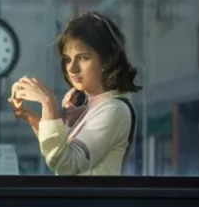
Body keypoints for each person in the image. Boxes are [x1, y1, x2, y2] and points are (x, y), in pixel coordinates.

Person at [9, 11, 139, 176]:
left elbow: (65, 164)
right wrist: (33, 119)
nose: (72, 68)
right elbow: (60, 152)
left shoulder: (114, 110)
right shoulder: (95, 108)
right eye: (68, 59)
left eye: (83, 58)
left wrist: (48, 103)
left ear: (106, 60)